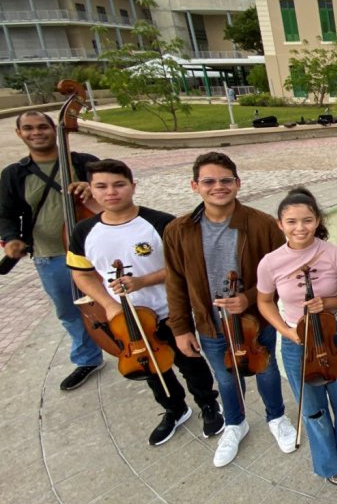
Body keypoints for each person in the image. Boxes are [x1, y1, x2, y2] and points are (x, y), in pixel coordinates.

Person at [66, 159, 223, 445]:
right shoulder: (84, 231)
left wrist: (142, 281)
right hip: (126, 318)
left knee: (189, 361)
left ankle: (208, 404)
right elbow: (82, 274)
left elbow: (185, 266)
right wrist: (111, 306)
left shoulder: (160, 222)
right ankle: (174, 409)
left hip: (168, 311)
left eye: (119, 185)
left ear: (133, 187)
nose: (111, 192)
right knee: (149, 367)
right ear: (91, 190)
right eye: (102, 186)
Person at [163, 152, 296, 468]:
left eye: (225, 180)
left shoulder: (262, 224)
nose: (218, 187)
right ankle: (235, 424)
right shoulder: (178, 230)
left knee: (265, 370)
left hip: (254, 321)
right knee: (224, 377)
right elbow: (175, 281)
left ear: (238, 184)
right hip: (211, 322)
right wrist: (180, 328)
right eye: (209, 181)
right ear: (195, 186)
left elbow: (284, 273)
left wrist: (249, 297)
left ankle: (276, 417)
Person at [256, 188, 337, 485]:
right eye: (291, 222)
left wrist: (329, 303)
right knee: (312, 408)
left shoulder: (335, 255)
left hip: (336, 335)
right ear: (280, 224)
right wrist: (286, 331)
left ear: (317, 220)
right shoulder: (270, 262)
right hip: (298, 340)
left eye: (307, 220)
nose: (300, 228)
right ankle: (328, 462)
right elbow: (264, 301)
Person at [0, 111, 105, 391]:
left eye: (42, 127)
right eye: (29, 128)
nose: (37, 132)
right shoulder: (14, 174)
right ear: (19, 133)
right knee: (68, 310)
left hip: (96, 251)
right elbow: (6, 215)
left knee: (116, 299)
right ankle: (87, 358)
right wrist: (10, 238)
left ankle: (135, 346)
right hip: (50, 253)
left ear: (53, 129)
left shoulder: (83, 162)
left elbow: (115, 193)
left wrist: (93, 188)